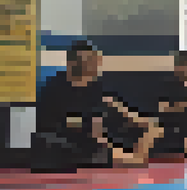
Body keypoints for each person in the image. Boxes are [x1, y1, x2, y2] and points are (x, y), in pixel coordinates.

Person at [32, 41, 163, 171]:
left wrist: (145, 126)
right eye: (87, 62)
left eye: (94, 62)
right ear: (71, 63)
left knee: (134, 156)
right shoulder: (54, 89)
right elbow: (61, 127)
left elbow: (98, 131)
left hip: (88, 147)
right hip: (63, 147)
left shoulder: (96, 89)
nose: (94, 66)